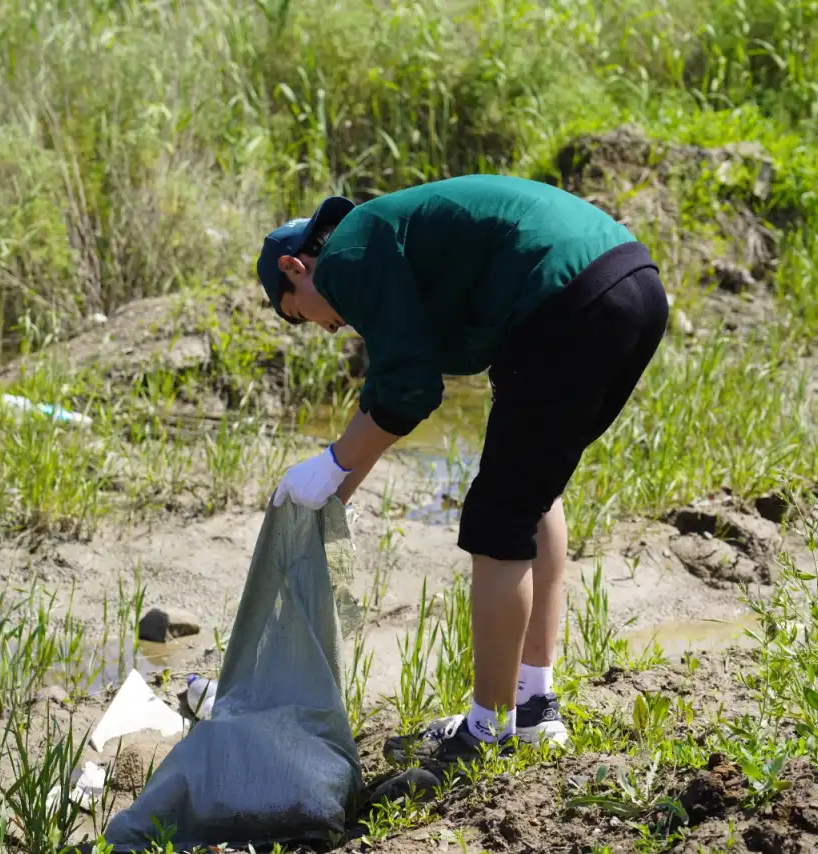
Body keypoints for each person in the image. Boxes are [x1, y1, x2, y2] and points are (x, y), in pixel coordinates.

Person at [255, 173, 668, 764]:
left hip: (566, 298)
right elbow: (397, 379)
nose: (327, 327)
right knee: (531, 493)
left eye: (298, 315)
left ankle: (486, 730)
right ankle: (531, 706)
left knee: (497, 521)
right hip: (632, 285)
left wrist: (330, 465)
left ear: (295, 269)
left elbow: (409, 388)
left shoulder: (346, 257)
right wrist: (336, 488)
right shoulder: (377, 236)